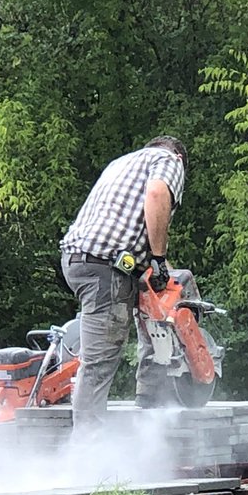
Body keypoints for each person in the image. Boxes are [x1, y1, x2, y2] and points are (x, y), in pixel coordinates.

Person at [59, 136, 188, 431]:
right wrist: (159, 258)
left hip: (82, 260)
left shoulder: (121, 163)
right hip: (106, 266)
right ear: (180, 159)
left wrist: (160, 267)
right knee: (99, 362)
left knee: (141, 300)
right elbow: (157, 193)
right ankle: (87, 447)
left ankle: (150, 391)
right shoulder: (168, 160)